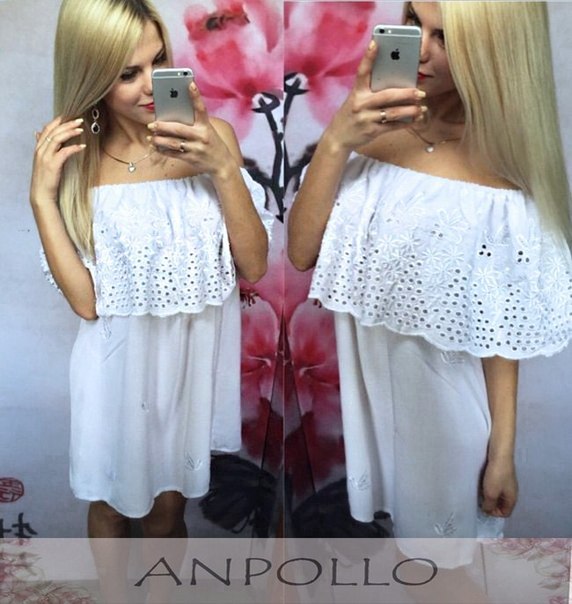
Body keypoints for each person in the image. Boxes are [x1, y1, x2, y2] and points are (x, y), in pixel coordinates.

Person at [288, 1, 572, 572]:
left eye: (446, 37)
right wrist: (339, 137)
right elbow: (300, 252)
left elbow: (499, 329)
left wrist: (502, 452)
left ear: (491, 51)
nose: (419, 47)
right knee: (415, 567)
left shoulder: (497, 171)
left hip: (446, 422)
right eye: (415, 22)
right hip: (378, 407)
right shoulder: (373, 129)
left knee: (440, 576)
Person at [31, 0, 271, 543]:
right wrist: (42, 198)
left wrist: (221, 166)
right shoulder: (77, 164)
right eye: (127, 74)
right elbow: (87, 303)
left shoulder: (213, 139)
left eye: (159, 60)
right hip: (113, 372)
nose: (151, 85)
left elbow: (254, 264)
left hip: (186, 368)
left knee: (166, 512)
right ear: (93, 77)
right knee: (110, 508)